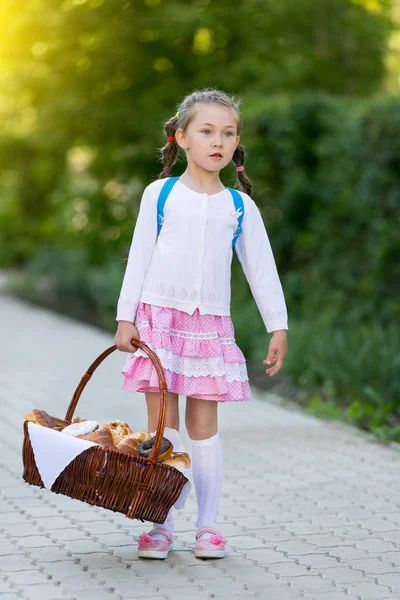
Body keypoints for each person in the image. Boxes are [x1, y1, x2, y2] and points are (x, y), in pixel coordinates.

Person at [114, 87, 288, 559]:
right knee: (163, 429)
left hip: (209, 327)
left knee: (204, 426)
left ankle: (208, 526)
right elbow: (139, 258)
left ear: (236, 144)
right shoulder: (161, 193)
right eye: (207, 131)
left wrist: (279, 325)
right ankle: (159, 524)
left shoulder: (239, 206)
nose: (218, 140)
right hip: (158, 321)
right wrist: (124, 318)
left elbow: (261, 268)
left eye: (228, 132)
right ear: (181, 138)